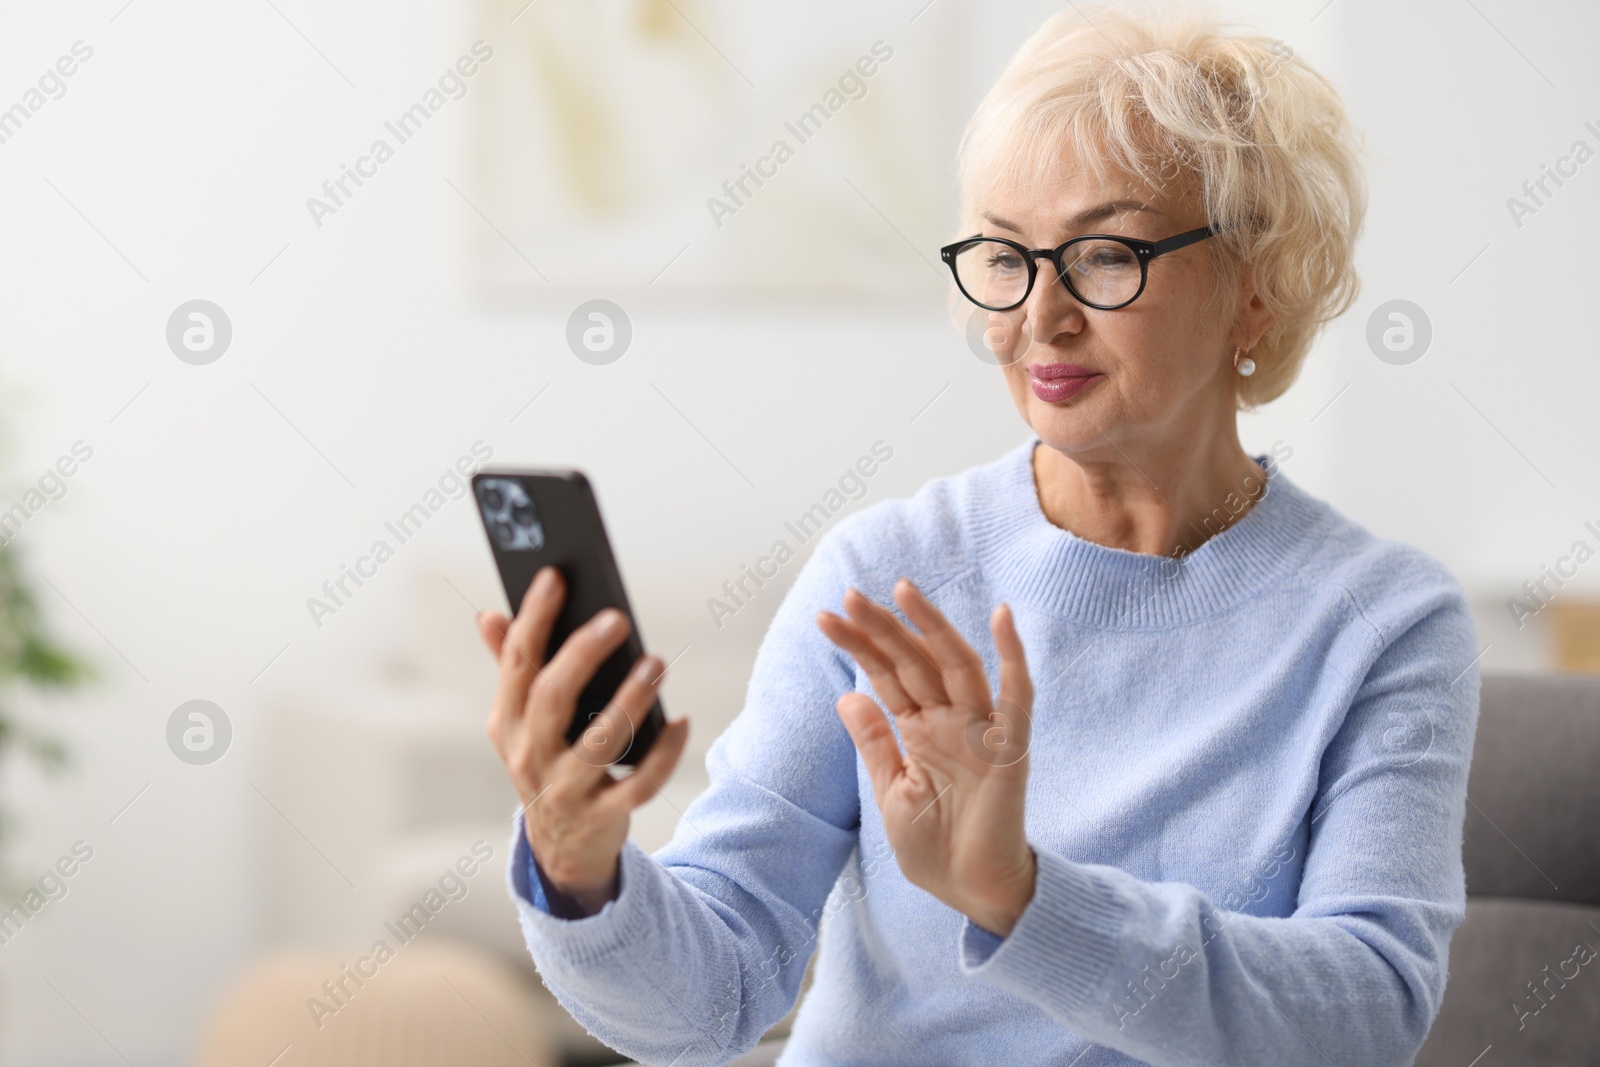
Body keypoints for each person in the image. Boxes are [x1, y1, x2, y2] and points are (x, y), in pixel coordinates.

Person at [476, 7, 1480, 1065]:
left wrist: (1021, 895)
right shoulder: (883, 573)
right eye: (1005, 255)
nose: (1036, 316)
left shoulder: (1383, 623)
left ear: (1258, 288)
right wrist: (580, 866)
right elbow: (704, 1003)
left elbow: (1365, 1016)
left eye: (1103, 253)